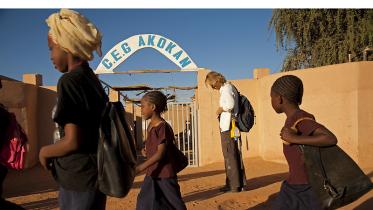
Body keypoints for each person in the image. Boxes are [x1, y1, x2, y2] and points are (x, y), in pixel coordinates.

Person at [39, 9, 108, 210]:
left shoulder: (69, 81)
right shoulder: (92, 80)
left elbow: (72, 141)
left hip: (78, 178)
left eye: (52, 48)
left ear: (66, 46)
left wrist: (45, 152)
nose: (51, 56)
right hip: (94, 176)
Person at [270, 75, 338, 210]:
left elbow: (330, 138)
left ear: (279, 98)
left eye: (271, 97)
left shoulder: (300, 118)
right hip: (294, 185)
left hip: (306, 189)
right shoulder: (293, 118)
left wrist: (293, 138)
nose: (271, 101)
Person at [136, 91, 187, 210]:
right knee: (144, 203)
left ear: (153, 107)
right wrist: (146, 151)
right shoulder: (151, 126)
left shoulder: (162, 127)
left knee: (174, 203)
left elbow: (160, 154)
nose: (141, 109)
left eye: (143, 106)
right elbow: (154, 147)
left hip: (165, 174)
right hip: (153, 172)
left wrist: (139, 168)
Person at [205, 71, 246, 193]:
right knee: (233, 154)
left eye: (212, 85)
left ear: (216, 81)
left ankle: (233, 186)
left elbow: (230, 105)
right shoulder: (228, 87)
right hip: (230, 126)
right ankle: (237, 183)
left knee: (229, 155)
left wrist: (220, 109)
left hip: (228, 127)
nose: (213, 88)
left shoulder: (226, 88)